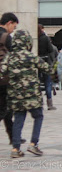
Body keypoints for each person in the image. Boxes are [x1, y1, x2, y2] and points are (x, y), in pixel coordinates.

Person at [0, 30, 53, 158]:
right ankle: (33, 144)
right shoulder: (32, 56)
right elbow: (48, 69)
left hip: (15, 96)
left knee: (18, 119)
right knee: (38, 116)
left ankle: (15, 148)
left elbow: (1, 72)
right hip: (32, 96)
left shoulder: (9, 57)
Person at [0, 13, 17, 144]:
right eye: (14, 26)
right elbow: (13, 57)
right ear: (9, 23)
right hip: (4, 78)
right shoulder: (6, 37)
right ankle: (13, 137)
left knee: (6, 109)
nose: (13, 29)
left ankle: (13, 136)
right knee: (4, 109)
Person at [37, 24, 57, 111]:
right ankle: (50, 104)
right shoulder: (45, 38)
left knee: (36, 83)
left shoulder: (34, 38)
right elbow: (50, 49)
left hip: (36, 61)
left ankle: (38, 103)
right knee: (47, 83)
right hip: (45, 61)